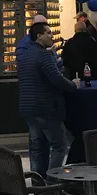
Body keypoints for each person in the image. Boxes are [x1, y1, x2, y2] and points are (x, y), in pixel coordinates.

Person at [18, 22, 79, 178]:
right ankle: (52, 183)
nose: (52, 36)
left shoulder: (25, 55)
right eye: (49, 33)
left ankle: (38, 183)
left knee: (38, 148)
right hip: (46, 108)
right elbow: (56, 78)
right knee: (59, 146)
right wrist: (73, 85)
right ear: (39, 36)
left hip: (28, 108)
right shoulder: (44, 55)